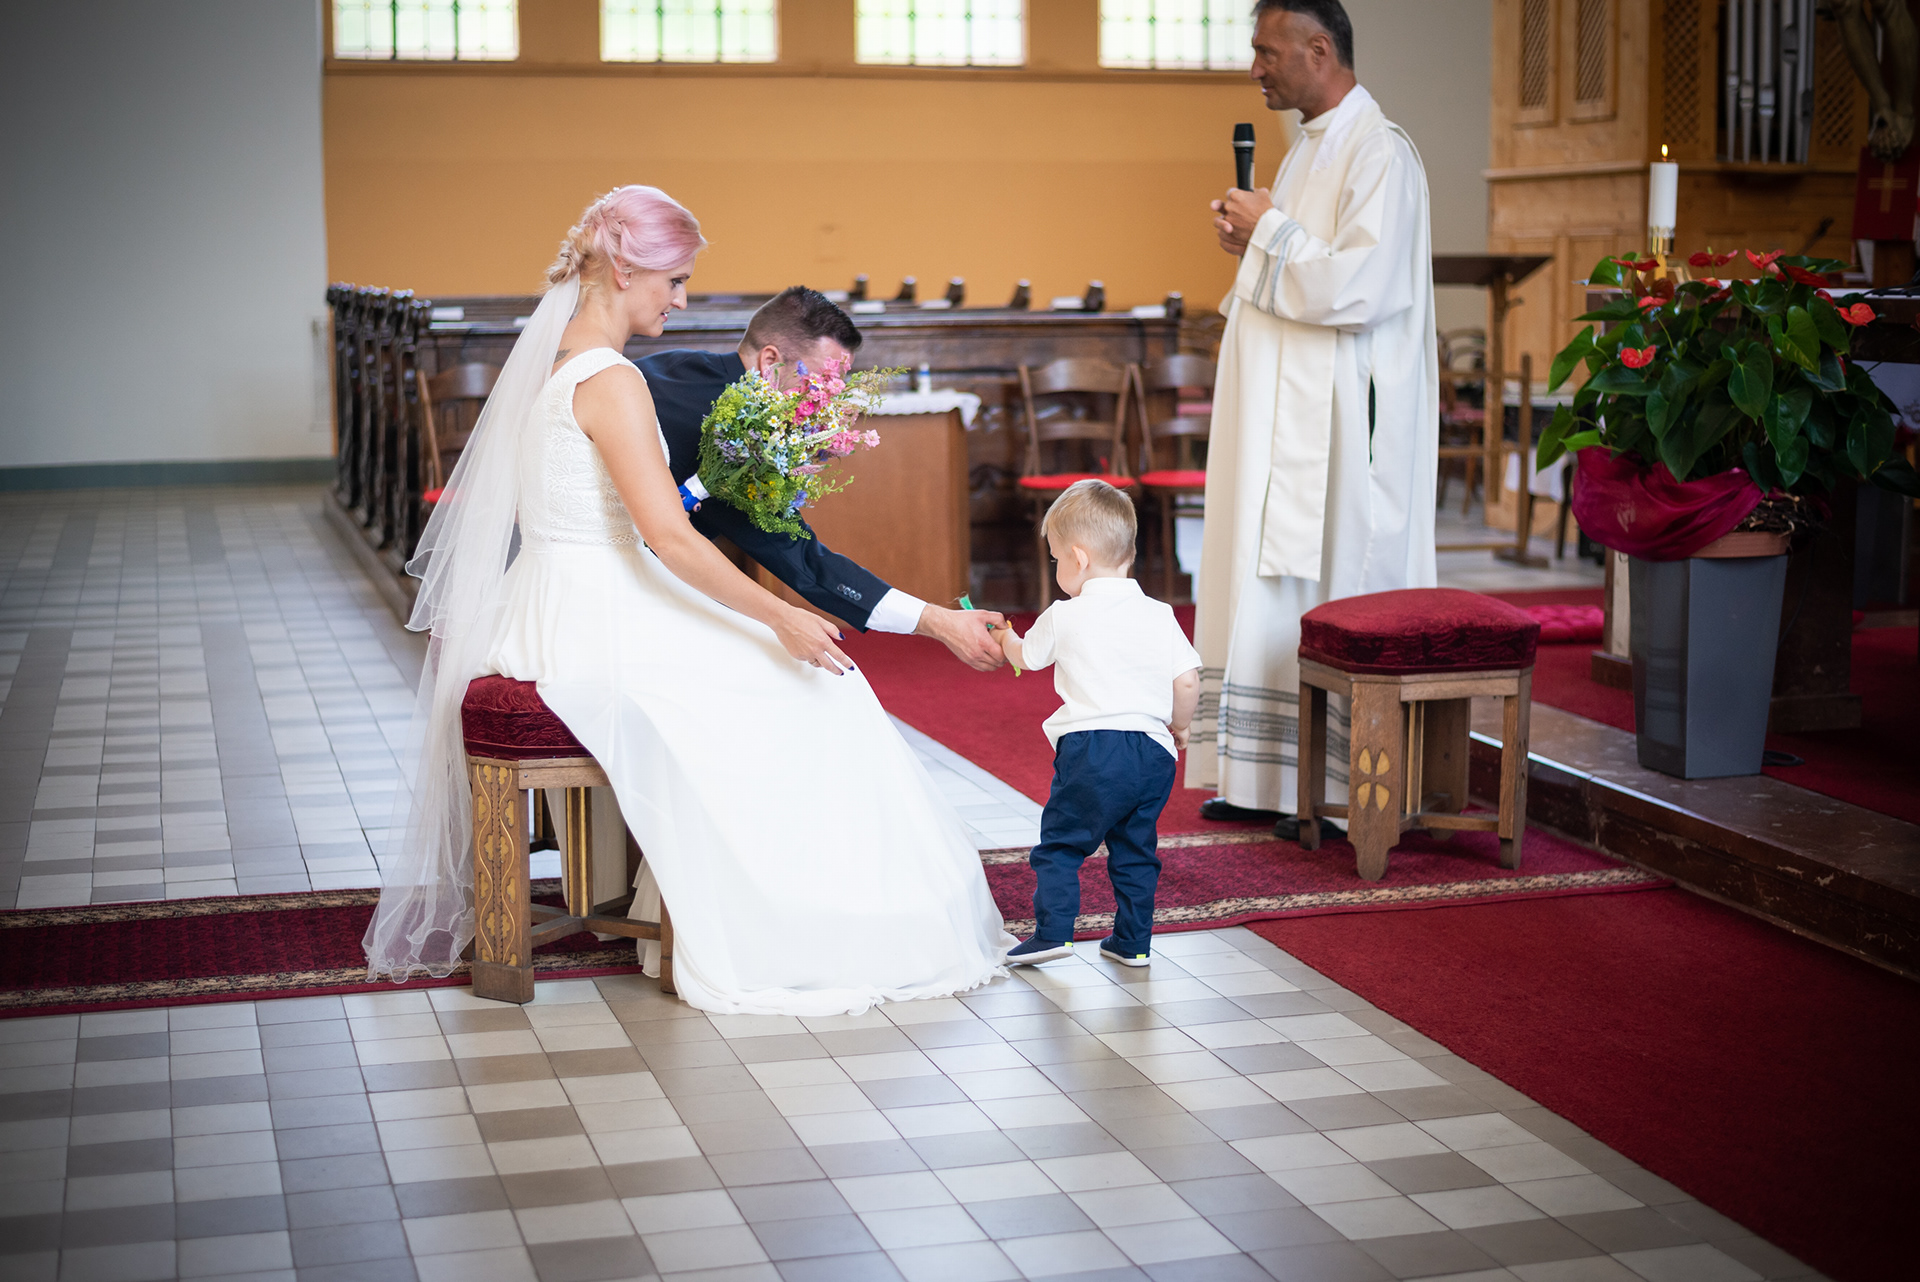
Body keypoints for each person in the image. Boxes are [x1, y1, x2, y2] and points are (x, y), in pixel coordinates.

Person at [363, 185, 1012, 1014]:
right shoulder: (618, 380)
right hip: (597, 613)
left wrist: (901, 618)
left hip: (555, 598)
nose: (681, 300)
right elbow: (670, 537)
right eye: (675, 281)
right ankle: (792, 917)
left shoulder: (561, 363)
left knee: (804, 673)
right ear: (625, 269)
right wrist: (782, 617)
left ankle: (714, 893)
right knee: (817, 686)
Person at [1190, 0, 1438, 839]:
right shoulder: (1307, 149)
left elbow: (1361, 286)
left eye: (1267, 51)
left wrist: (1271, 232)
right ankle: (1264, 779)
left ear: (1318, 49)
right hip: (1284, 413)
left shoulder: (1381, 152)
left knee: (1331, 580)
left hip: (1337, 424)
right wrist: (1256, 240)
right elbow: (1299, 257)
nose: (1254, 67)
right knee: (1263, 585)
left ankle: (1342, 783)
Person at [642, 290, 1007, 671]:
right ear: (770, 362)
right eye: (821, 383)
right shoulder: (739, 438)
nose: (828, 402)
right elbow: (804, 561)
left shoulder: (672, 365)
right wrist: (939, 622)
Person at [994, 481, 1201, 968]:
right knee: (1136, 850)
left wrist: (1004, 637)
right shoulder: (1160, 613)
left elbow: (1026, 656)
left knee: (1062, 845)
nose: (1056, 569)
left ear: (1079, 558)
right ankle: (1133, 943)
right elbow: (1188, 680)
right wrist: (1180, 727)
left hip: (1093, 751)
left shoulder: (1064, 614)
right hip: (1153, 753)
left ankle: (1053, 934)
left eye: (1055, 559)